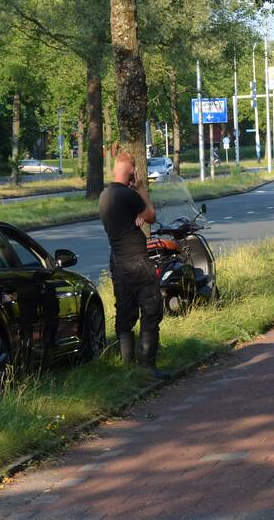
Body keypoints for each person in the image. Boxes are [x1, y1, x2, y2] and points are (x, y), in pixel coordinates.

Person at [98, 152, 167, 378]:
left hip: (117, 262)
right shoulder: (129, 194)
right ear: (132, 171)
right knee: (151, 310)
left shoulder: (105, 195)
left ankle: (127, 367)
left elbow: (133, 218)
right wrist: (140, 189)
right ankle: (147, 367)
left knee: (125, 314)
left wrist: (135, 216)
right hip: (137, 261)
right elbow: (151, 215)